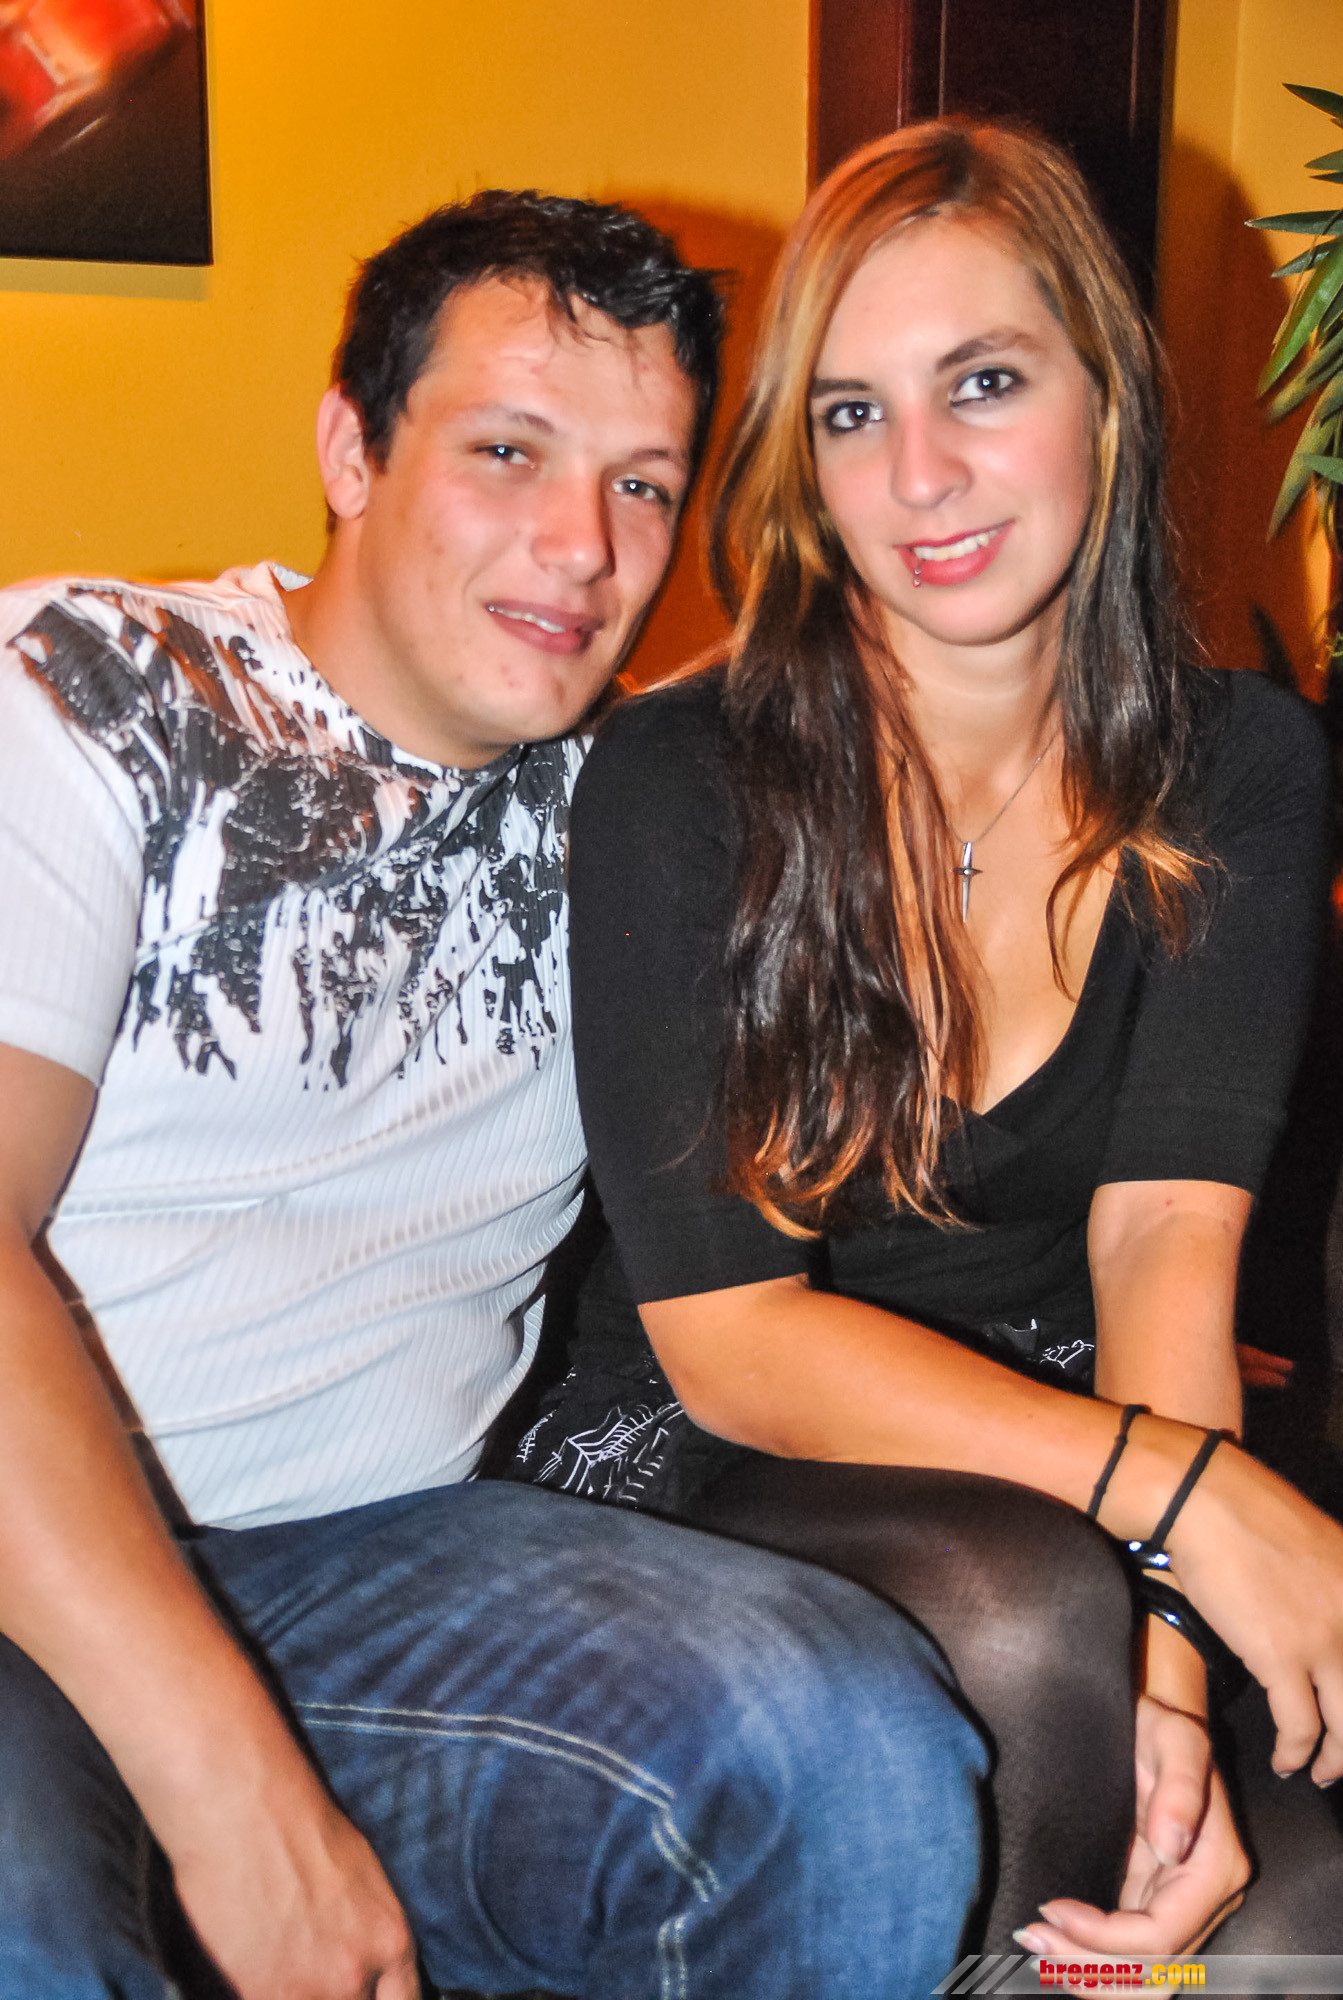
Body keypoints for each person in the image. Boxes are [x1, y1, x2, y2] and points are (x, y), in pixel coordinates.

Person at [0, 191, 988, 1999]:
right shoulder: (90, 693)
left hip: (362, 1569)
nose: (582, 546)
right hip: (27, 1561)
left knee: (843, 1753)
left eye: (643, 483)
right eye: (509, 451)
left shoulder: (640, 808)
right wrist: (232, 1795)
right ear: (350, 450)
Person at [510, 121, 1343, 1955]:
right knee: (1030, 1612)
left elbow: (1165, 1239)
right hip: (721, 1437)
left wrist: (1175, 1672)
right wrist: (1185, 1500)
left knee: (1294, 1902)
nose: (921, 474)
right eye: (851, 411)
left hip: (1079, 1421)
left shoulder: (1243, 766)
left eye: (984, 381)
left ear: (1107, 394)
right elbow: (732, 1340)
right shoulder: (682, 777)